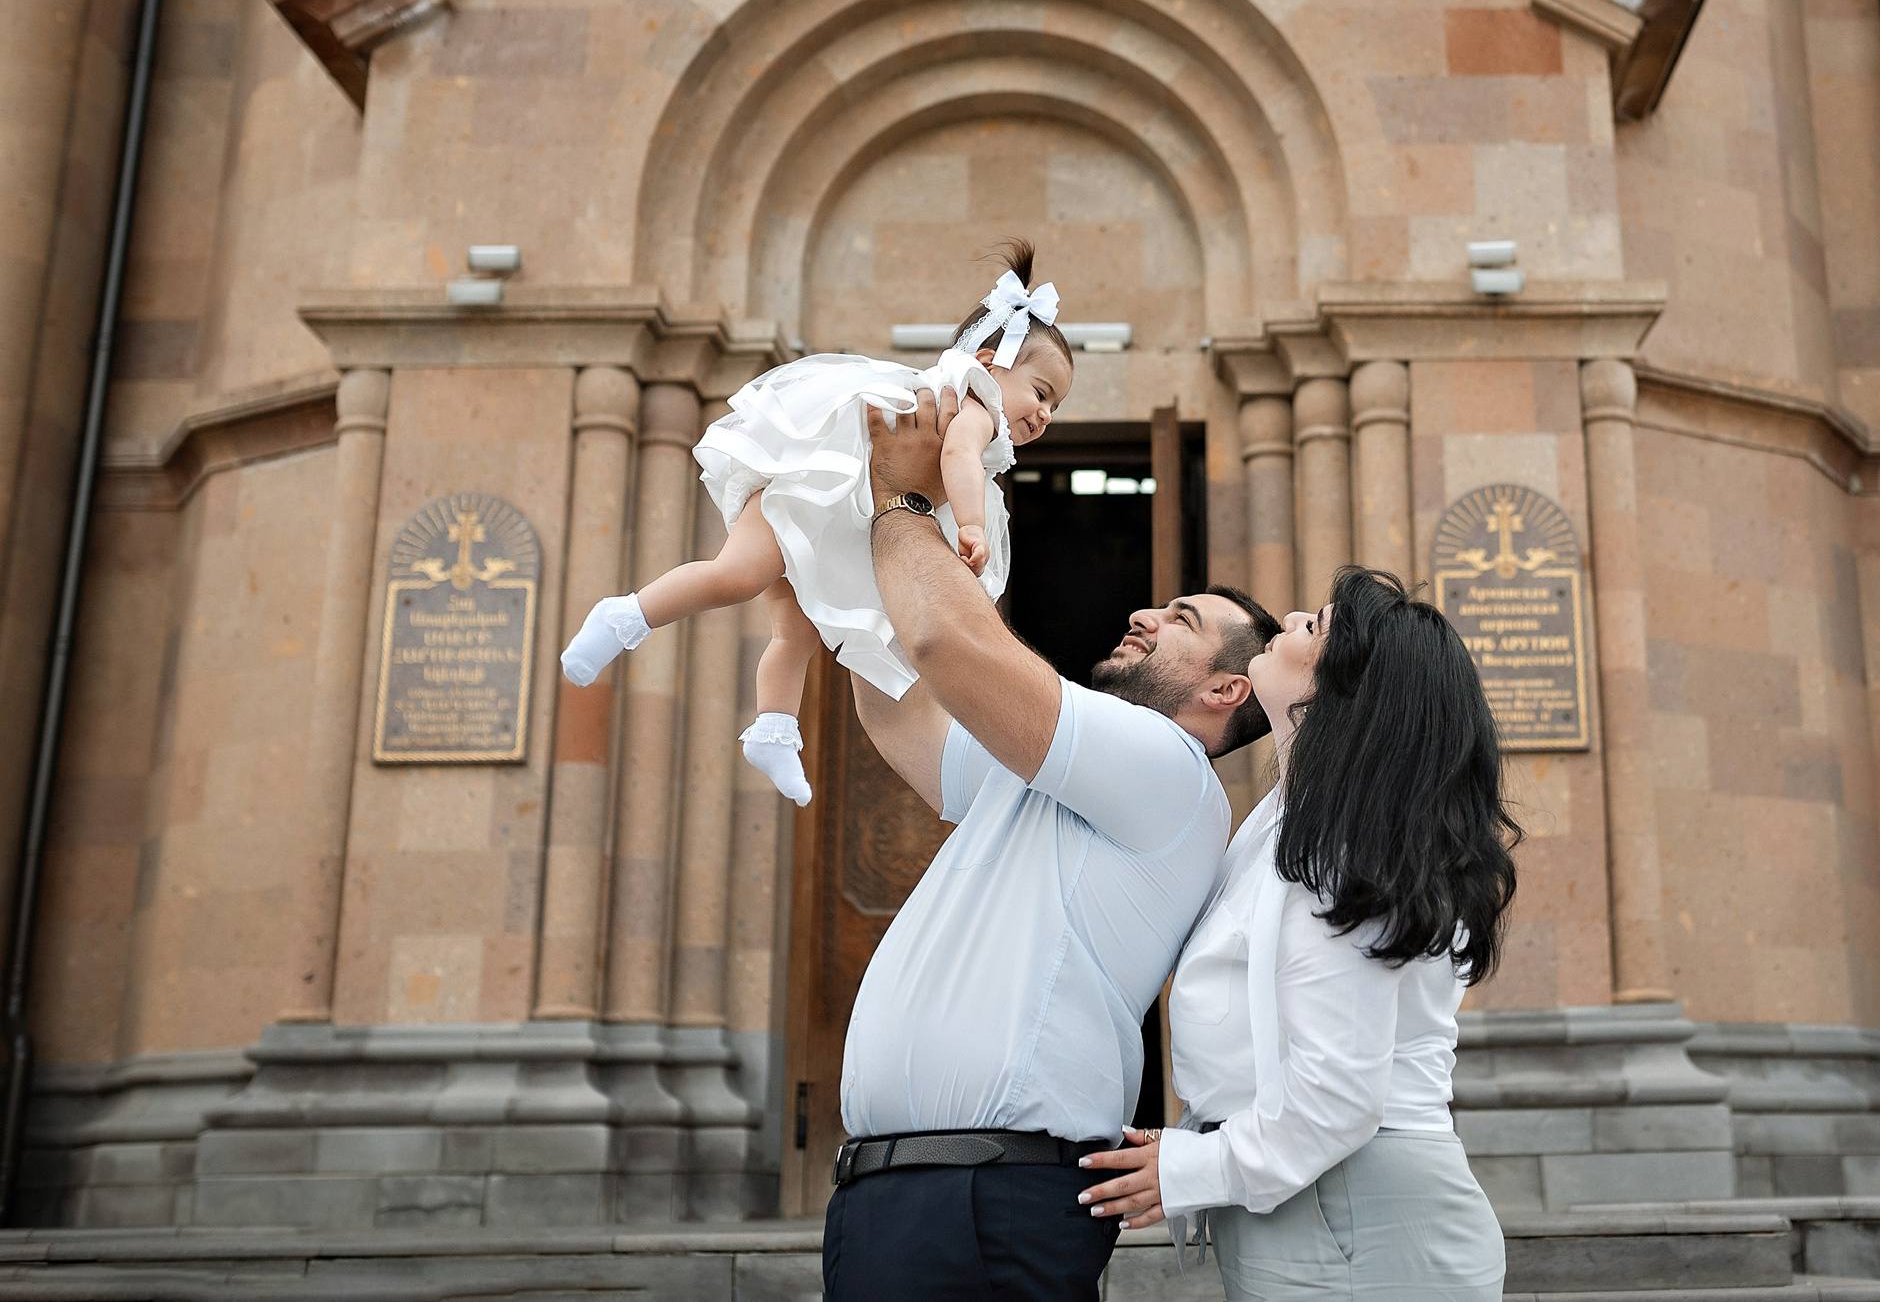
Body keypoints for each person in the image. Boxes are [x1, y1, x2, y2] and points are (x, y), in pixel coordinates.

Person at [818, 377, 1284, 1302]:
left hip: (990, 1199)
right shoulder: (1045, 776)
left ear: (1226, 691)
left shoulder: (1168, 769)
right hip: (895, 1195)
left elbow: (947, 644)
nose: (1146, 614)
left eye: (1182, 620)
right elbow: (896, 707)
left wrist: (905, 498)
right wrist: (834, 535)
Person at [1074, 566, 1520, 1301]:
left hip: (1356, 1208)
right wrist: (1203, 1137)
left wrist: (1191, 1167)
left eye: (1313, 625)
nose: (1285, 618)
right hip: (1314, 1189)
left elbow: (1338, 1097)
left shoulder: (1340, 851)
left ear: (1343, 690)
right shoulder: (1289, 822)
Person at [556, 239, 1072, 806]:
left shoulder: (966, 403)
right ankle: (626, 616)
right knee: (737, 575)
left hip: (831, 517)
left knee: (794, 632)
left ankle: (774, 730)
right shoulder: (976, 405)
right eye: (1041, 393)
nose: (1045, 414)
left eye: (1055, 406)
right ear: (991, 360)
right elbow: (957, 456)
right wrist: (971, 525)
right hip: (809, 491)